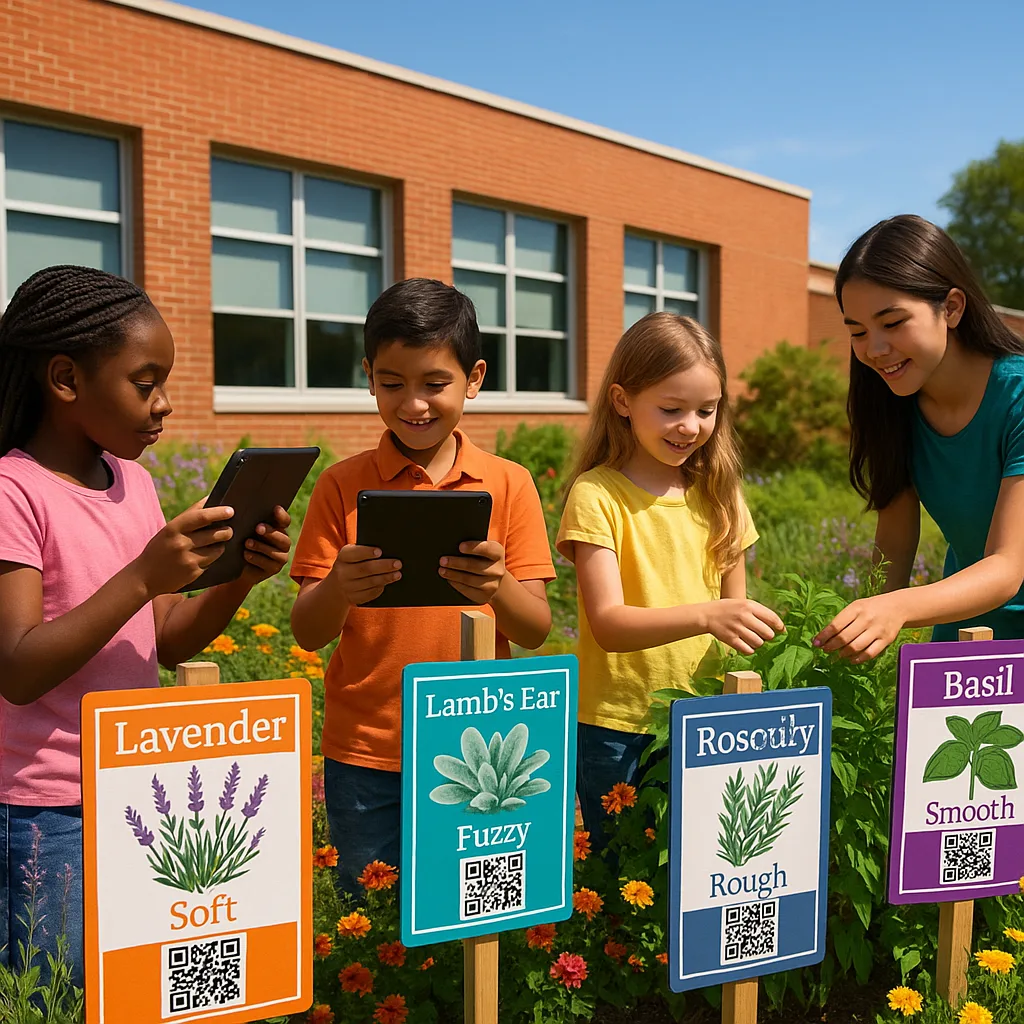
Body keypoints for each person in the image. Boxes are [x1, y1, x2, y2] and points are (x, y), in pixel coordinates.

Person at [0, 265, 293, 988]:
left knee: (130, 991)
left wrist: (240, 577)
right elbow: (17, 668)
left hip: (134, 790)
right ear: (65, 378)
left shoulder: (134, 481)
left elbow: (167, 640)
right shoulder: (13, 490)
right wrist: (140, 576)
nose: (163, 404)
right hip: (48, 812)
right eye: (144, 382)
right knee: (57, 995)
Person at [290, 278, 555, 896]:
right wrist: (340, 588)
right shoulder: (340, 485)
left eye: (435, 384)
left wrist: (497, 586)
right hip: (367, 750)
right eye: (392, 383)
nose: (414, 403)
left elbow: (535, 629)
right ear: (369, 376)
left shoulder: (509, 484)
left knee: (471, 914)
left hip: (481, 750)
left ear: (475, 377)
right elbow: (307, 630)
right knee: (371, 919)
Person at [556, 312, 783, 848]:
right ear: (622, 401)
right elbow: (609, 624)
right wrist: (707, 615)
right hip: (617, 725)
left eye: (707, 410)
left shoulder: (720, 496)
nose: (690, 426)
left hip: (705, 717)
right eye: (671, 409)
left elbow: (737, 624)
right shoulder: (597, 495)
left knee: (704, 867)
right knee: (620, 884)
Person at [814, 215, 1024, 662]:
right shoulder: (893, 404)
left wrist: (895, 609)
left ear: (950, 308)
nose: (874, 349)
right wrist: (856, 644)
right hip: (965, 634)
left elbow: (1007, 568)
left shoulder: (1018, 398)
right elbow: (892, 546)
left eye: (892, 323)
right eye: (857, 332)